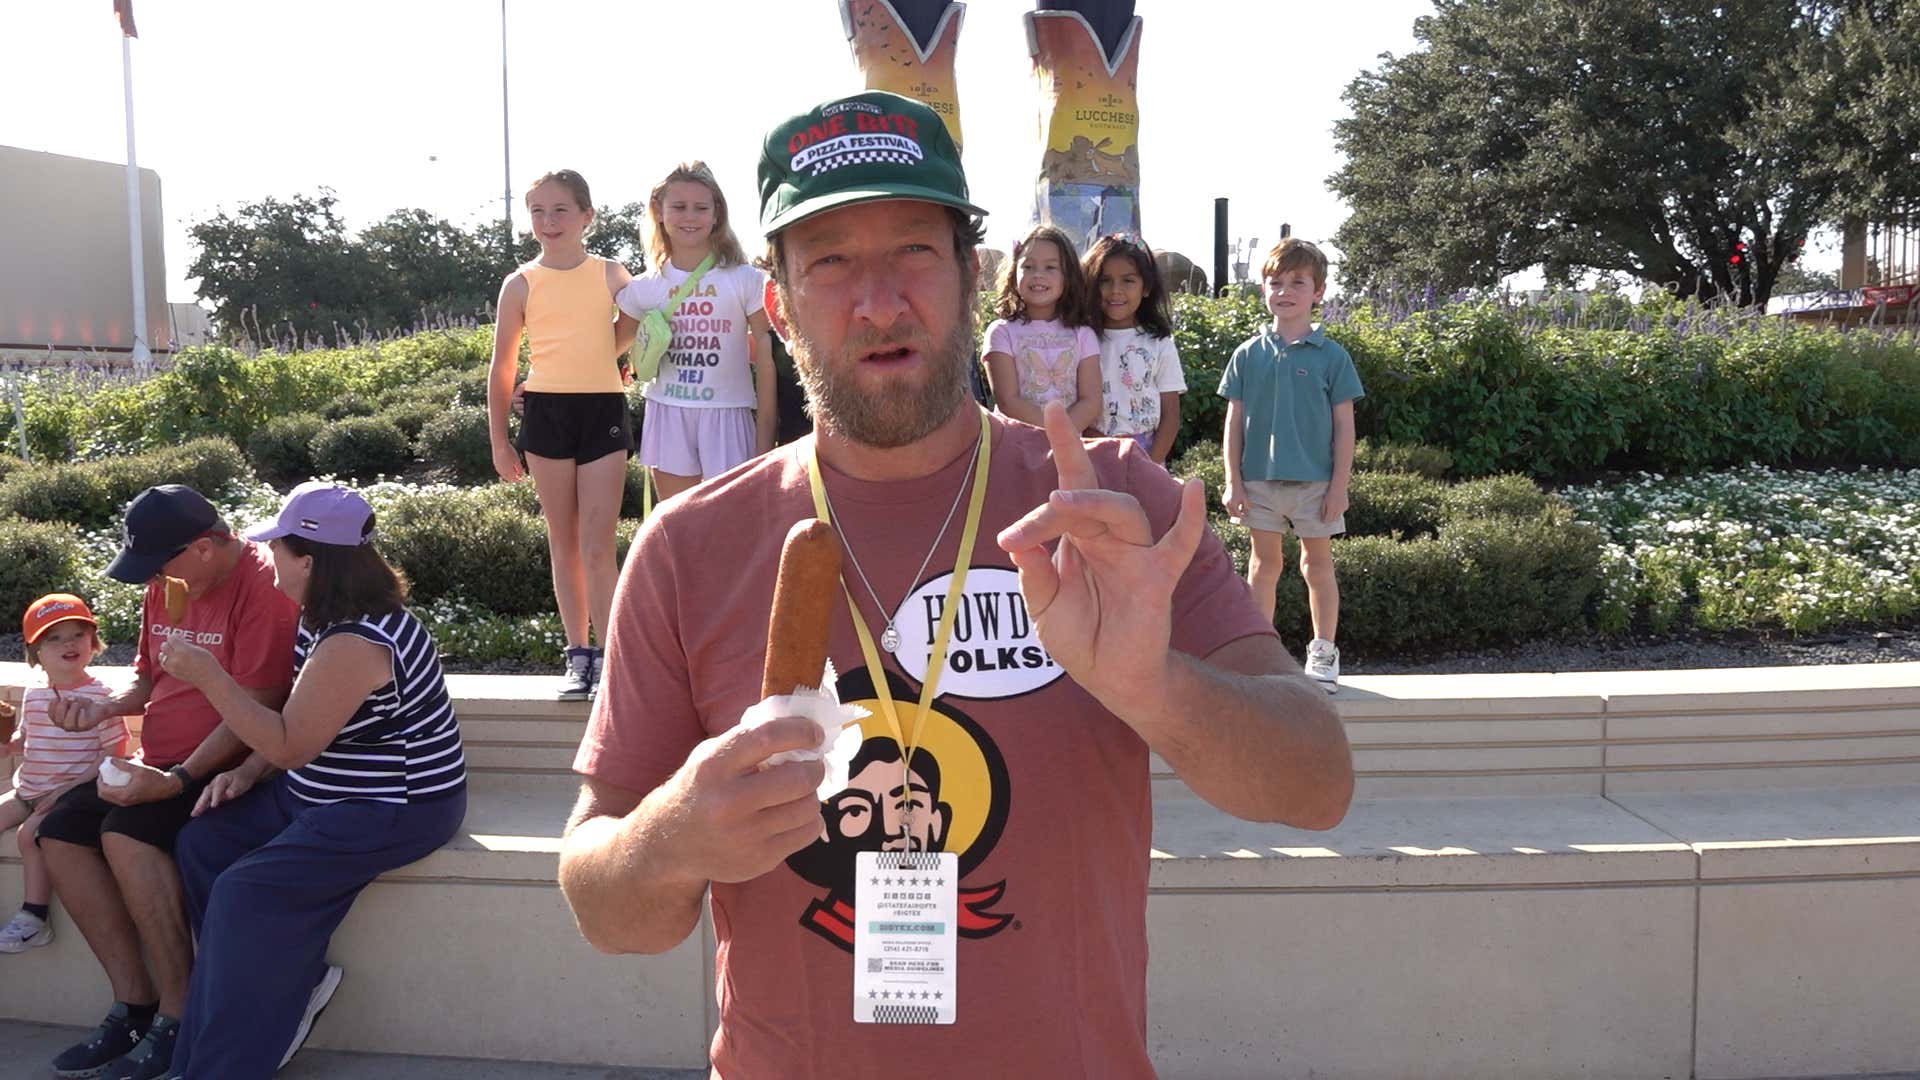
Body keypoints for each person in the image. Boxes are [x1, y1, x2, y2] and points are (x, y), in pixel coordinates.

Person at [559, 90, 1352, 1078]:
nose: (880, 301)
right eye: (833, 262)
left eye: (914, 254)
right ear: (778, 300)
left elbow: (1318, 784)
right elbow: (605, 911)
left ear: (973, 275)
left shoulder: (1111, 506)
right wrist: (673, 837)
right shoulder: (689, 547)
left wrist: (1155, 689)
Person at [155, 480, 467, 1079]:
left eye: (279, 548)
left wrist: (208, 676)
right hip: (324, 790)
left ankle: (217, 1068)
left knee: (244, 893)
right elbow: (299, 731)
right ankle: (285, 991)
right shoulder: (324, 615)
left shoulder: (357, 640)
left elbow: (292, 744)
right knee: (202, 844)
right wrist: (248, 770)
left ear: (312, 561)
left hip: (393, 805)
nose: (268, 556)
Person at [37, 484, 299, 1080]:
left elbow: (259, 705)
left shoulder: (263, 589)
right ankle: (134, 1004)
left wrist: (178, 778)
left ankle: (178, 1017)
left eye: (160, 565)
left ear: (206, 545)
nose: (154, 581)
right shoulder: (169, 586)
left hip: (225, 772)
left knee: (127, 832)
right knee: (59, 832)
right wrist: (100, 709)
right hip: (159, 760)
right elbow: (148, 680)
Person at [488, 168, 640, 702]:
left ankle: (618, 663)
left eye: (560, 211)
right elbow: (503, 366)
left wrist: (611, 357)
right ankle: (580, 657)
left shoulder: (611, 273)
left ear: (586, 217)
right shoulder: (520, 282)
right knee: (565, 541)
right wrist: (500, 440)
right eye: (538, 211)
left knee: (600, 545)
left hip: (602, 410)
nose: (549, 222)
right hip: (545, 417)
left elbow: (642, 319)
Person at [1218, 238, 1364, 692]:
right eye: (1275, 282)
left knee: (1316, 566)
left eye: (1297, 282)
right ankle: (1262, 654)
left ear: (1317, 292)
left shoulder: (1332, 356)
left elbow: (1345, 428)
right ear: (1263, 289)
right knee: (1263, 565)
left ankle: (1323, 651)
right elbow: (1234, 421)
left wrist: (1339, 486)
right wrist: (1232, 481)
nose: (1284, 290)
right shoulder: (1247, 353)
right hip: (1258, 481)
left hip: (1316, 484)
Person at [617, 161, 777, 503]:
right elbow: (607, 351)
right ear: (658, 212)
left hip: (729, 413)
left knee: (730, 527)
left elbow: (768, 349)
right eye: (679, 206)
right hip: (667, 411)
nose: (690, 216)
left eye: (701, 207)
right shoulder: (643, 288)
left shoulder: (746, 279)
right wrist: (539, 385)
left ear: (716, 214)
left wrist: (766, 435)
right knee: (678, 526)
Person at [0, 594, 127, 953]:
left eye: (77, 634)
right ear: (35, 651)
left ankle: (34, 918)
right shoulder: (36, 695)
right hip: (30, 788)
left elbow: (114, 752)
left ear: (93, 641)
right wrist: (10, 746)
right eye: (53, 638)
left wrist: (67, 791)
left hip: (71, 795)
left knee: (29, 836)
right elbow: (28, 738)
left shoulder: (102, 697)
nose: (68, 643)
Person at [980, 224, 1103, 434]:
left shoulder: (1083, 335)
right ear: (1013, 273)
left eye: (1050, 267)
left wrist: (1063, 438)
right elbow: (1009, 401)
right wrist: (1055, 433)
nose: (1038, 275)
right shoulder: (1001, 333)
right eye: (1028, 266)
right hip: (1015, 446)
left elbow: (1091, 401)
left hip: (1069, 447)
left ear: (1068, 276)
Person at [1082, 232, 1186, 463]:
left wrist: (1150, 466)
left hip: (1146, 457)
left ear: (1146, 287)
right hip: (1090, 454)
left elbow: (1171, 416)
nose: (1115, 290)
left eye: (1128, 280)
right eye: (1105, 280)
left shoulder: (1159, 344)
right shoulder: (1081, 339)